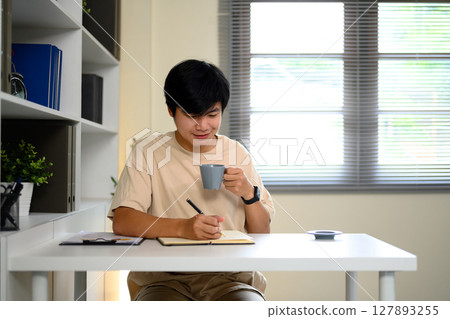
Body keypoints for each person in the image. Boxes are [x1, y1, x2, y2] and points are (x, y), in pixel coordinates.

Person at [108, 59, 275, 301]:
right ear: (170, 110)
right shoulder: (148, 151)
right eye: (191, 115)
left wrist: (249, 194)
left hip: (231, 279)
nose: (203, 125)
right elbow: (123, 221)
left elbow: (262, 232)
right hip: (163, 278)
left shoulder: (236, 153)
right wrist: (183, 228)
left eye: (212, 114)